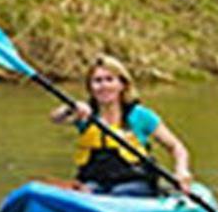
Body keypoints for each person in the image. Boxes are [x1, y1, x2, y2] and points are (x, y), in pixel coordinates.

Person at [50, 54, 192, 198]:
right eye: (97, 81)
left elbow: (176, 147)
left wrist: (181, 170)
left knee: (117, 193)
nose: (104, 86)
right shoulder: (84, 114)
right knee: (85, 190)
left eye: (109, 79)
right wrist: (70, 108)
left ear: (122, 85)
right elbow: (55, 117)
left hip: (135, 183)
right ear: (90, 87)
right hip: (95, 183)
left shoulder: (140, 116)